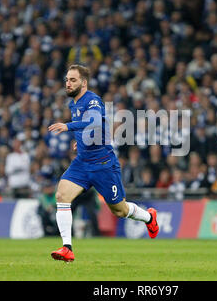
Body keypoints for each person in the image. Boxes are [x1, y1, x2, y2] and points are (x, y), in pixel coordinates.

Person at [48, 64, 159, 262]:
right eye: (66, 79)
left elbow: (96, 122)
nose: (68, 83)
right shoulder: (73, 104)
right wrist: (80, 140)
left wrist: (69, 126)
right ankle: (67, 248)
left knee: (120, 210)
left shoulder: (92, 100)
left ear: (84, 83)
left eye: (73, 80)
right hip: (82, 163)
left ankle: (149, 218)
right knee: (61, 195)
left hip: (103, 164)